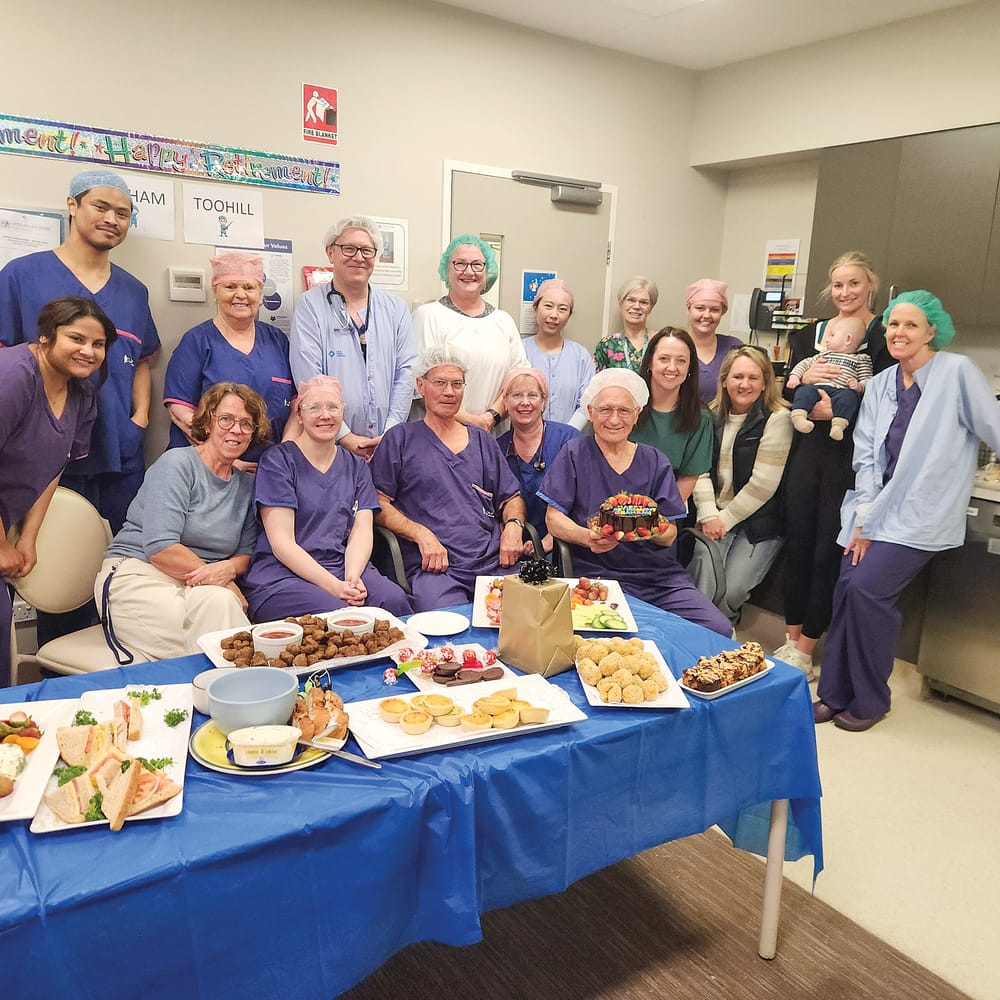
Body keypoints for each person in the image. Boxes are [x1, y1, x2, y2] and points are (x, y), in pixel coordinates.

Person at [814, 291, 1000, 732]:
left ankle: (872, 699)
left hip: (920, 513)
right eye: (894, 324)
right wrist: (864, 520)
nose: (899, 333)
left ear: (932, 331)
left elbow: (994, 426)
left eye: (911, 325)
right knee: (845, 591)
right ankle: (834, 694)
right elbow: (866, 459)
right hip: (873, 510)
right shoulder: (880, 384)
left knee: (866, 591)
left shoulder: (956, 373)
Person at [0, 168, 160, 533]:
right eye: (101, 207)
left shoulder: (134, 292)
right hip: (39, 454)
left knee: (121, 561)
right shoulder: (22, 276)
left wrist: (139, 419)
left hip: (119, 451)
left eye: (123, 213)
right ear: (72, 205)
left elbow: (141, 362)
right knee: (42, 570)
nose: (111, 219)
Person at [538, 369, 731, 637]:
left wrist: (649, 526)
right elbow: (553, 518)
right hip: (598, 573)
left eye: (624, 410)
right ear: (591, 412)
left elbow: (670, 535)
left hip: (659, 576)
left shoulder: (655, 461)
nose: (614, 419)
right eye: (605, 410)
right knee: (635, 634)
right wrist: (587, 537)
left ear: (637, 414)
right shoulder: (575, 453)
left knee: (717, 628)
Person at [774, 251, 892, 677]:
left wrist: (836, 411)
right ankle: (789, 640)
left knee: (827, 548)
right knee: (798, 542)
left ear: (871, 284)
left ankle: (807, 649)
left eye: (854, 284)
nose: (846, 293)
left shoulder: (881, 335)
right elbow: (787, 391)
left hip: (849, 457)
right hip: (806, 453)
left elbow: (884, 399)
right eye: (838, 285)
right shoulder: (809, 335)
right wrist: (803, 383)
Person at [94, 383, 267, 664]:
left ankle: (225, 692)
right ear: (207, 422)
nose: (236, 429)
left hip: (199, 586)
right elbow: (161, 548)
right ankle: (239, 694)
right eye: (226, 419)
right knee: (215, 638)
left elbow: (245, 554)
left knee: (219, 611)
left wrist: (225, 571)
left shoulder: (246, 485)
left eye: (246, 424)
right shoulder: (177, 465)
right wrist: (217, 578)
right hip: (138, 575)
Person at [0, 297, 110, 686]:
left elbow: (54, 467)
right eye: (76, 338)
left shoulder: (81, 391)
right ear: (46, 336)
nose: (88, 351)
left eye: (98, 344)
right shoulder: (13, 374)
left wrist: (28, 538)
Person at [242, 376, 413, 621]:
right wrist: (335, 587)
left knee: (392, 601)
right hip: (283, 575)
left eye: (333, 407)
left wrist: (352, 578)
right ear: (299, 415)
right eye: (314, 408)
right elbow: (282, 544)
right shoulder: (278, 462)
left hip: (341, 564)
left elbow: (362, 531)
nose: (325, 415)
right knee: (343, 617)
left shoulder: (356, 466)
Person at [370, 346, 528, 611]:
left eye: (457, 384)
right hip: (434, 567)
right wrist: (421, 534)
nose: (449, 392)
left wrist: (513, 526)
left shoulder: (481, 441)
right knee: (444, 628)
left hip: (493, 562)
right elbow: (377, 503)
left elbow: (511, 497)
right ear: (421, 385)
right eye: (440, 383)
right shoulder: (400, 439)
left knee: (525, 616)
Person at [289, 215, 416, 460]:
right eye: (349, 248)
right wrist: (344, 435)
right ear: (330, 252)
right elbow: (308, 377)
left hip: (387, 442)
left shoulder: (396, 309)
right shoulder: (310, 306)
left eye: (367, 250)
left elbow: (406, 372)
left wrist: (390, 432)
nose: (359, 257)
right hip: (329, 441)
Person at [689, 347, 792, 625]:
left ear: (765, 383)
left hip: (759, 523)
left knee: (731, 591)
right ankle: (701, 633)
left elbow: (763, 485)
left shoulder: (778, 418)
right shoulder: (709, 415)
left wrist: (722, 520)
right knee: (703, 585)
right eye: (737, 377)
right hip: (715, 514)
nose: (744, 384)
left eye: (753, 378)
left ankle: (721, 635)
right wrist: (709, 514)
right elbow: (698, 470)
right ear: (724, 381)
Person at [163, 251, 293, 471]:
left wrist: (284, 454)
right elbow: (179, 409)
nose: (240, 295)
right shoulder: (197, 341)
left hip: (269, 468)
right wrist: (227, 459)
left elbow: (298, 403)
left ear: (260, 294)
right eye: (230, 286)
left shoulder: (277, 340)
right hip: (208, 467)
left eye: (249, 287)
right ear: (215, 291)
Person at [411, 235, 527, 433]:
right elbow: (419, 384)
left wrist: (491, 417)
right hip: (440, 436)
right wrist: (472, 421)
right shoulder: (428, 316)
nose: (469, 271)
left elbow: (517, 380)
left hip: (493, 432)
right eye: (460, 264)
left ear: (487, 270)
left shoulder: (504, 321)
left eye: (477, 264)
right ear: (447, 270)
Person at [496, 368, 579, 555]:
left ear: (543, 402)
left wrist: (551, 539)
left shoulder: (569, 440)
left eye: (532, 395)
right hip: (511, 547)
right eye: (517, 395)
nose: (525, 402)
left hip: (563, 545)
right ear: (505, 402)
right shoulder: (496, 449)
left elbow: (585, 499)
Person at [630, 327, 713, 503]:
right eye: (664, 359)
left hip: (665, 509)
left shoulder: (700, 417)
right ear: (650, 362)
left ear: (690, 367)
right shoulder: (626, 406)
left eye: (681, 361)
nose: (672, 367)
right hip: (615, 502)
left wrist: (655, 518)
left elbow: (689, 478)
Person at [786, 314, 873, 440]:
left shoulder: (861, 359)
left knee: (849, 397)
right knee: (804, 391)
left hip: (841, 391)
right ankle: (799, 417)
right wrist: (796, 377)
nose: (827, 339)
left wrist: (859, 386)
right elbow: (804, 364)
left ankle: (838, 426)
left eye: (832, 335)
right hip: (817, 388)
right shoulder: (824, 354)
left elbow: (868, 380)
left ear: (848, 339)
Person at [521, 278, 593, 427]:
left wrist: (567, 433)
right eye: (548, 306)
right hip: (524, 440)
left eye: (562, 309)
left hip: (571, 441)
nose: (554, 315)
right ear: (535, 308)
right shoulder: (520, 351)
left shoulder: (580, 356)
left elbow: (587, 401)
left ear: (569, 314)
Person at [685, 278, 743, 404]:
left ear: (723, 312)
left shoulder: (734, 348)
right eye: (700, 308)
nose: (707, 315)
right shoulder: (675, 346)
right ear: (688, 309)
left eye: (714, 310)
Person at [593, 276, 657, 373]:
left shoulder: (660, 341)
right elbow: (597, 383)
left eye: (643, 302)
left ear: (651, 307)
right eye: (631, 300)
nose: (636, 306)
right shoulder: (607, 345)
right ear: (621, 303)